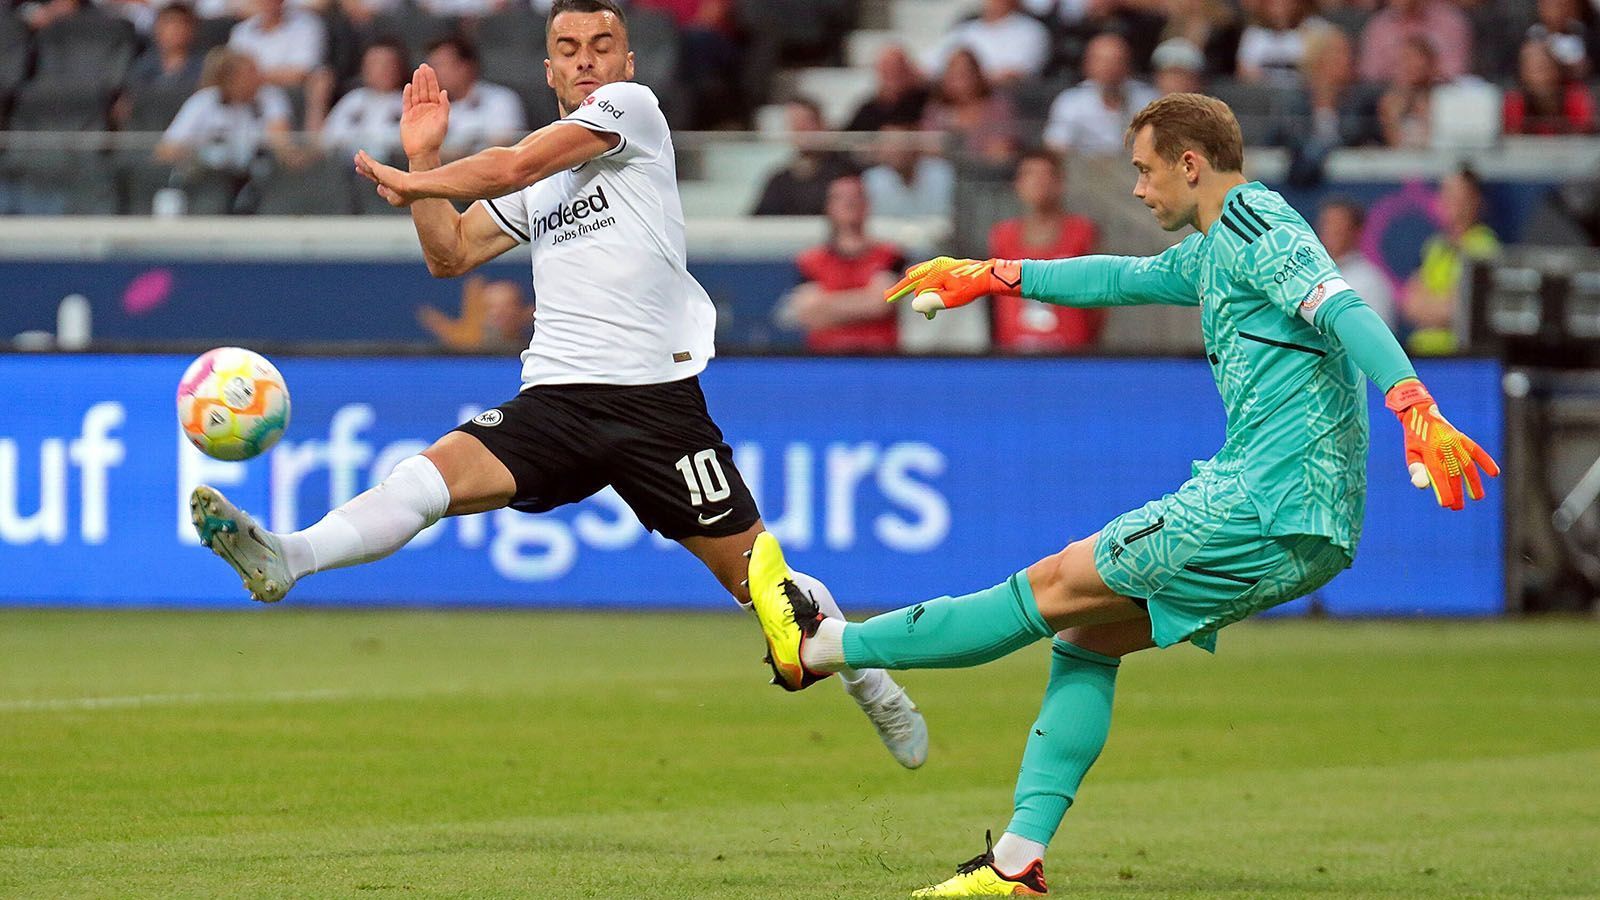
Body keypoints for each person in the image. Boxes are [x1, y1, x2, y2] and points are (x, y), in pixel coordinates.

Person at [743, 92, 1499, 896]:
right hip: (1308, 528)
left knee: (1048, 586)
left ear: (1190, 163)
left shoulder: (1258, 228)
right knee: (1088, 638)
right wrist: (994, 274)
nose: (1138, 190)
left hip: (1258, 502)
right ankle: (1017, 863)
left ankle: (821, 649)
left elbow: (1345, 309)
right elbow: (1118, 277)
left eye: (1143, 171)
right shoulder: (1216, 250)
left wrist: (1414, 403)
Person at [190, 0, 927, 770]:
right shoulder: (540, 185)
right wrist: (424, 163)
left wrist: (418, 178)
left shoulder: (631, 112)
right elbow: (449, 256)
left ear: (627, 63)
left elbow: (511, 163)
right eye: (568, 49)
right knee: (426, 478)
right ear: (547, 69)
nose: (585, 60)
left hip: (655, 407)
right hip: (558, 400)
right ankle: (289, 556)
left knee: (765, 586)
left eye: (601, 45)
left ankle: (871, 682)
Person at [986, 149, 1103, 351]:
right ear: (1017, 184)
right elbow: (992, 301)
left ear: (1060, 183)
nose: (1038, 182)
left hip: (1071, 349)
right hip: (1013, 351)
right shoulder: (1001, 236)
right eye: (1030, 174)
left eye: (1046, 175)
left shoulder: (1082, 232)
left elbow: (1100, 301)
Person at [777, 175, 905, 353]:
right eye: (840, 197)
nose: (849, 203)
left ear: (867, 204)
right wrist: (864, 300)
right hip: (826, 360)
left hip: (879, 359)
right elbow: (808, 313)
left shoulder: (890, 256)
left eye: (856, 197)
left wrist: (828, 304)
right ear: (828, 206)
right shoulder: (809, 261)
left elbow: (881, 304)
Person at [1402, 167, 1499, 355]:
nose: (1449, 202)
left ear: (1475, 201)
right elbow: (1409, 305)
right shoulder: (1435, 246)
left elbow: (1462, 308)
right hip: (1422, 353)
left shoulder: (1484, 246)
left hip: (1460, 356)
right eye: (1445, 194)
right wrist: (1435, 307)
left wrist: (1428, 306)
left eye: (1457, 196)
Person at [1043, 33, 1158, 157]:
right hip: (1084, 170)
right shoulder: (1070, 102)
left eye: (1117, 61)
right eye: (1102, 61)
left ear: (1129, 65)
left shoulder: (1148, 99)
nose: (1109, 68)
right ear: (1087, 65)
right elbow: (1055, 145)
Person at [751, 97, 858, 216]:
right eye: (794, 123)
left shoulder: (845, 172)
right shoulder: (780, 180)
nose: (800, 129)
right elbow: (757, 221)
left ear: (822, 125)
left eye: (806, 122)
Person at [425, 37, 527, 158]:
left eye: (441, 65)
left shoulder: (500, 99)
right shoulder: (430, 107)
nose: (435, 73)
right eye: (432, 66)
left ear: (466, 67)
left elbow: (506, 144)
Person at [920, 48, 1017, 164]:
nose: (960, 80)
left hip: (987, 172)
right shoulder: (936, 110)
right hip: (946, 171)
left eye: (965, 73)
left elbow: (1003, 146)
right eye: (954, 73)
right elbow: (928, 146)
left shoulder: (998, 106)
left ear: (977, 74)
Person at [921, 0, 1051, 87]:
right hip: (952, 102)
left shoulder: (1031, 31)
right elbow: (928, 66)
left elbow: (1015, 74)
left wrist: (967, 81)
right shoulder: (965, 29)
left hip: (1001, 103)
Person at [320, 39, 408, 162]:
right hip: (348, 171)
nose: (383, 69)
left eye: (388, 63)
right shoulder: (352, 100)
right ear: (364, 68)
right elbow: (326, 140)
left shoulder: (408, 102)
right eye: (376, 63)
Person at [1316, 198, 1396, 327]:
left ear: (1356, 231)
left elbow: (1377, 336)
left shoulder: (1371, 282)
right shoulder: (1311, 274)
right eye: (1327, 224)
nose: (1331, 232)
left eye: (1338, 226)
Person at [1357, 0, 1471, 84]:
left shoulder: (1450, 21)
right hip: (1388, 96)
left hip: (1438, 95)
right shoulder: (1379, 25)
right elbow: (1371, 74)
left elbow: (1454, 72)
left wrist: (1422, 76)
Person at [1503, 37, 1597, 135]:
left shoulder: (1576, 96)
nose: (1537, 76)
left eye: (1541, 67)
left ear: (1556, 69)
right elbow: (1513, 136)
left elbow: (1584, 135)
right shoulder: (1515, 100)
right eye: (1529, 68)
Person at [418, 275, 536, 352]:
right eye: (491, 307)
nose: (499, 314)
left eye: (508, 306)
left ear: (525, 311)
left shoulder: (537, 351)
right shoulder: (464, 355)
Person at [860, 123, 954, 218]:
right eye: (890, 144)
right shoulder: (871, 180)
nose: (896, 150)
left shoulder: (941, 173)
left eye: (900, 143)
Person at [1235, 0, 1328, 84]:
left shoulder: (1312, 31)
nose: (1279, 7)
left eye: (1285, 3)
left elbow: (1314, 72)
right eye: (1273, 3)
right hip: (1262, 94)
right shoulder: (1253, 34)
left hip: (1300, 94)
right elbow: (1244, 72)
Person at [845, 44, 929, 133]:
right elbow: (847, 137)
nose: (893, 74)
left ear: (909, 69)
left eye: (898, 67)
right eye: (887, 69)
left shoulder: (927, 102)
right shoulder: (868, 109)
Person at [1377, 35, 1438, 149]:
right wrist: (1393, 118)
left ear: (1430, 63)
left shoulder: (1443, 97)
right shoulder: (1390, 101)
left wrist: (1428, 117)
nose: (1409, 65)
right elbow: (1395, 144)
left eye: (1415, 58)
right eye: (1405, 59)